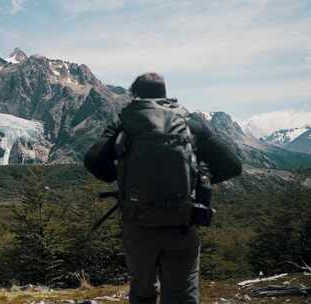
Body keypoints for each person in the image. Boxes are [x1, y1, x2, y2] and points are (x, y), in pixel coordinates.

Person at [83, 73, 242, 304]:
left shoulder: (126, 124)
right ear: (165, 94)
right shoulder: (189, 125)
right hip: (182, 223)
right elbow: (233, 166)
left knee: (142, 292)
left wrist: (118, 177)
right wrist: (195, 180)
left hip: (138, 224)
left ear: (135, 95)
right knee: (182, 295)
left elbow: (93, 160)